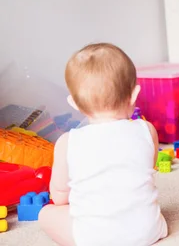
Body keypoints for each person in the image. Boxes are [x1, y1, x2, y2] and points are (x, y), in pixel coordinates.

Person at [39, 43, 168, 246]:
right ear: (134, 94)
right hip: (149, 231)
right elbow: (148, 170)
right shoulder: (146, 130)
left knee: (46, 214)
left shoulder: (67, 143)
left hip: (94, 238)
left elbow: (60, 196)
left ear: (73, 103)